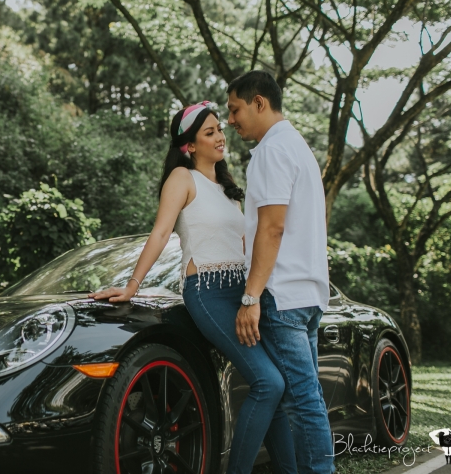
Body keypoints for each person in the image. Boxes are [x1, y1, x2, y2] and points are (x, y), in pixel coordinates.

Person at [89, 101, 297, 474]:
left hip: (241, 293)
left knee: (276, 388)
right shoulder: (182, 179)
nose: (220, 137)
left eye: (220, 129)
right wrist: (132, 285)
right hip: (208, 293)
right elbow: (160, 232)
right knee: (268, 383)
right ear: (189, 145)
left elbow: (249, 246)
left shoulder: (228, 189)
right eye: (209, 132)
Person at [227, 70, 335, 474]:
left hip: (282, 295)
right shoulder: (298, 146)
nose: (231, 120)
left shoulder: (271, 151)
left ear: (259, 102)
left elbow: (272, 228)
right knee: (308, 397)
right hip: (307, 295)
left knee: (301, 401)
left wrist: (250, 297)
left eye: (235, 110)